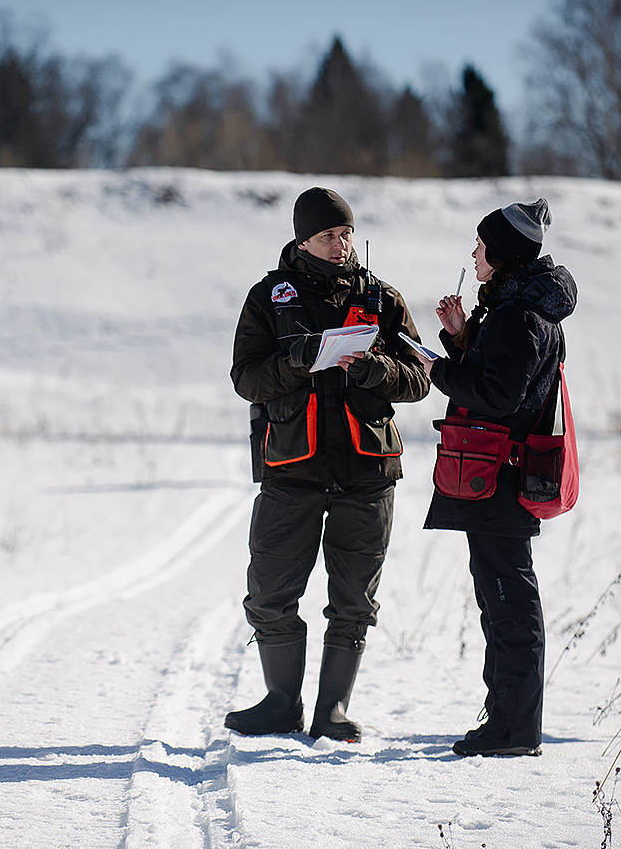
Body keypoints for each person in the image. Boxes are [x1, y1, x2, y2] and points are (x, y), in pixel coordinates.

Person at [227, 187, 430, 742]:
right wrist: (296, 361)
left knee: (354, 601)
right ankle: (279, 704)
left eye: (346, 234)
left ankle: (332, 711)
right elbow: (245, 378)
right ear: (302, 239)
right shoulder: (268, 297)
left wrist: (373, 371)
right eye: (328, 236)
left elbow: (420, 377)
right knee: (269, 592)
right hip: (291, 469)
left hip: (368, 475)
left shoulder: (383, 299)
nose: (341, 245)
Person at [413, 198, 577, 757]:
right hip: (501, 477)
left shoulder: (518, 315)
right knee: (503, 599)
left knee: (508, 604)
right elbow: (503, 380)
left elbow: (496, 396)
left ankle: (512, 729)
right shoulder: (514, 308)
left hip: (498, 480)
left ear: (503, 253)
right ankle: (508, 722)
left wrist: (440, 370)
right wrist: (461, 339)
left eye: (481, 246)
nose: (474, 254)